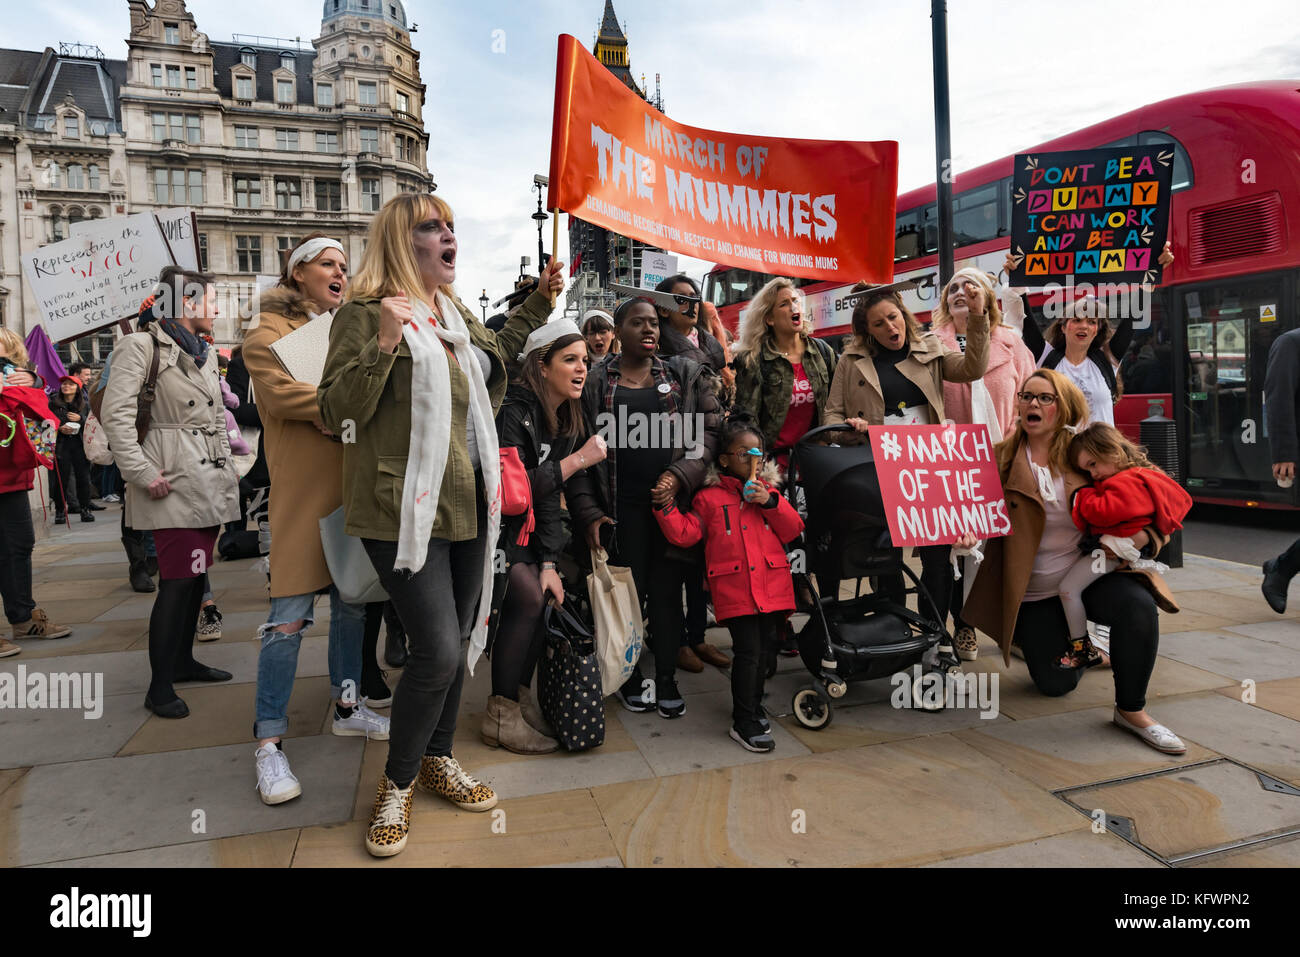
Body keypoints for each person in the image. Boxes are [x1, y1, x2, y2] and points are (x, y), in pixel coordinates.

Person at [318, 193, 564, 858]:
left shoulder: (454, 314)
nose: (448, 235)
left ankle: (437, 756)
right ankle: (397, 783)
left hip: (468, 500)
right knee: (437, 651)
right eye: (433, 226)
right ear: (404, 240)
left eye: (452, 225)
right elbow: (333, 407)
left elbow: (497, 361)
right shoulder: (367, 313)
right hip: (401, 508)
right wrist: (384, 342)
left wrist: (538, 303)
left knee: (457, 639)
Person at [963, 369, 1186, 754]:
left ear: (1062, 406)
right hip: (1034, 591)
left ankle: (1131, 710)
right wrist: (964, 529)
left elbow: (1152, 492)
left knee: (1138, 608)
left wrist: (1146, 538)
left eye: (1045, 398)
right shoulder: (999, 456)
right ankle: (1085, 649)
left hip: (1091, 572)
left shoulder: (1085, 450)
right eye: (1026, 396)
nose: (1033, 403)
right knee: (1054, 686)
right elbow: (968, 506)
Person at [242, 233, 390, 804]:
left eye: (344, 266)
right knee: (288, 620)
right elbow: (281, 397)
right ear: (297, 272)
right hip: (304, 499)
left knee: (353, 606)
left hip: (349, 491)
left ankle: (348, 706)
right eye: (329, 264)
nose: (340, 273)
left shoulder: (348, 327)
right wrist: (338, 405)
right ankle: (269, 744)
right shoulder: (267, 333)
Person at [567, 295, 723, 716]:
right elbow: (577, 454)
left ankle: (668, 679)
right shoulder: (595, 384)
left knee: (669, 596)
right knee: (629, 599)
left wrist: (679, 477)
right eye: (637, 323)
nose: (649, 329)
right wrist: (588, 514)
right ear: (618, 333)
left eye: (654, 322)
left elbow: (707, 437)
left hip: (669, 511)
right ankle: (632, 677)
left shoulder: (682, 376)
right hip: (620, 512)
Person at [101, 266, 240, 719]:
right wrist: (142, 473)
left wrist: (231, 470)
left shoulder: (200, 352)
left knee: (196, 576)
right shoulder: (140, 347)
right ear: (184, 304)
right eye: (209, 301)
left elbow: (217, 420)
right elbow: (117, 418)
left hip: (206, 482)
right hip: (171, 480)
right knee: (178, 583)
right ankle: (159, 686)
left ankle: (183, 661)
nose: (217, 309)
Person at [824, 284, 989, 621]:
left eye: (893, 317)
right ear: (867, 330)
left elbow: (973, 369)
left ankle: (934, 633)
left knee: (937, 558)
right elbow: (831, 416)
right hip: (877, 466)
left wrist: (977, 316)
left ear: (903, 315)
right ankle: (895, 627)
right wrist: (851, 429)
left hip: (928, 463)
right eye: (879, 324)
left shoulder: (930, 346)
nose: (890, 328)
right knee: (886, 556)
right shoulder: (851, 360)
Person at [485, 318, 606, 753]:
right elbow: (512, 493)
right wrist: (578, 461)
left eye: (585, 362)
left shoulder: (564, 415)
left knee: (545, 594)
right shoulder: (512, 411)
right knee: (529, 599)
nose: (581, 369)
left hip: (531, 534)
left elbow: (550, 499)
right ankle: (499, 714)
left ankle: (518, 698)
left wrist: (551, 562)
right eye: (570, 359)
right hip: (495, 533)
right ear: (541, 364)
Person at [654, 415, 804, 752]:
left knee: (766, 652)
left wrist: (769, 502)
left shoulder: (769, 492)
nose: (752, 460)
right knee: (748, 652)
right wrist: (665, 508)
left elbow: (793, 529)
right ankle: (744, 719)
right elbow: (687, 533)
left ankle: (753, 704)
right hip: (735, 588)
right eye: (743, 454)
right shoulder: (709, 498)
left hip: (772, 584)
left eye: (758, 454)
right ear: (724, 460)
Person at [929, 267, 1036, 660]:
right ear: (945, 302)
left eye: (970, 287)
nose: (960, 291)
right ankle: (963, 625)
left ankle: (1011, 626)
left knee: (1003, 551)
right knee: (958, 548)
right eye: (953, 287)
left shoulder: (1011, 343)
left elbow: (1030, 399)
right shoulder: (930, 344)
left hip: (1003, 456)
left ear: (987, 300)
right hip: (951, 462)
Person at [1055, 422, 1192, 668]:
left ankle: (1081, 647)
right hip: (1119, 550)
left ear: (1113, 453)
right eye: (1086, 470)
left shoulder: (1127, 481)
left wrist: (1081, 495)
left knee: (1068, 589)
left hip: (1110, 552)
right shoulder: (1142, 475)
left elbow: (1104, 513)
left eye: (1093, 465)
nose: (1093, 475)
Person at [1005, 242, 1173, 425]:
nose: (1083, 326)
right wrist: (1018, 278)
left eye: (1092, 322)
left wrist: (1152, 275)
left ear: (1097, 331)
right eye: (1076, 320)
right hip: (1059, 453)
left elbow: (1132, 318)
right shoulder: (1046, 358)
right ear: (1063, 326)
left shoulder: (1108, 358)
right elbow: (1026, 319)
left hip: (1101, 452)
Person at [653, 274, 730, 671]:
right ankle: (677, 638)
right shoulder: (664, 351)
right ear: (664, 308)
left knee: (703, 556)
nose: (692, 304)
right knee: (676, 556)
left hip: (711, 461)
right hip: (680, 458)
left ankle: (698, 636)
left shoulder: (713, 346)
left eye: (695, 297)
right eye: (681, 299)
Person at [0, 329, 69, 658]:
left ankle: (23, 618)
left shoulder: (19, 377)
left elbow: (41, 403)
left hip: (11, 474)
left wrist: (35, 381)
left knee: (20, 545)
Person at [733, 277, 836, 472]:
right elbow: (747, 421)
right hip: (774, 468)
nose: (793, 306)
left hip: (818, 462)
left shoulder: (822, 352)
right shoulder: (755, 360)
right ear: (769, 319)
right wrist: (755, 466)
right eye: (784, 304)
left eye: (795, 301)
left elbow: (839, 402)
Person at [1260, 326, 1300, 612]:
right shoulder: (1290, 343)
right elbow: (1278, 399)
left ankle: (1280, 568)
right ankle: (1280, 570)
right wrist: (1284, 453)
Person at [48, 375, 95, 523]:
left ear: (78, 388)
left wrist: (80, 419)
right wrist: (58, 427)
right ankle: (60, 511)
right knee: (61, 479)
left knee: (83, 478)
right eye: (64, 384)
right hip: (61, 445)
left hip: (79, 445)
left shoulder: (85, 404)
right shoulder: (53, 403)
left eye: (70, 384)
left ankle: (85, 509)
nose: (66, 386)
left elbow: (92, 424)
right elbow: (46, 421)